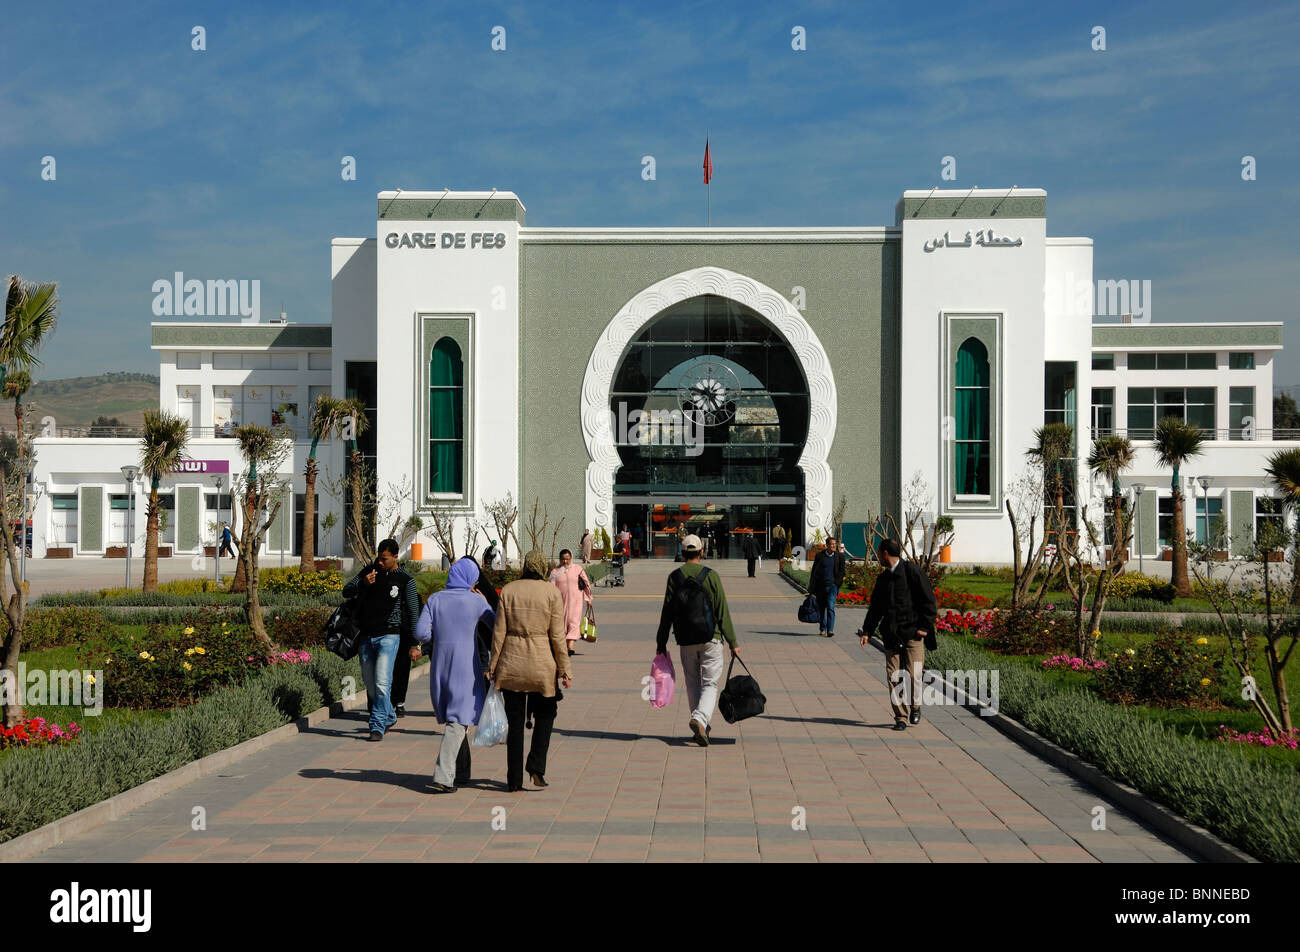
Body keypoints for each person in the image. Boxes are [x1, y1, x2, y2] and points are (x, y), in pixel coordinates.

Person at [489, 549, 573, 791]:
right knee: (546, 714)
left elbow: (499, 633)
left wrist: (493, 665)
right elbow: (557, 636)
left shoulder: (509, 591)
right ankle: (536, 766)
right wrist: (565, 669)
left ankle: (513, 780)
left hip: (512, 663)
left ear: (526, 565)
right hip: (541, 663)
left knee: (515, 723)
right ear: (542, 567)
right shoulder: (551, 592)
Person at [413, 557, 496, 793]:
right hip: (465, 668)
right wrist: (484, 602)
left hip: (440, 664)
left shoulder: (435, 599)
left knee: (455, 719)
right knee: (459, 720)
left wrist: (437, 640)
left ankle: (461, 772)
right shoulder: (474, 601)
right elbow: (496, 625)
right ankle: (444, 775)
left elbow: (420, 631)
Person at [655, 534, 739, 747]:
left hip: (685, 639)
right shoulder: (711, 576)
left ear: (682, 554)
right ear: (702, 552)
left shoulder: (674, 577)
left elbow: (667, 612)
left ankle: (700, 724)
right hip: (712, 638)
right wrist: (733, 642)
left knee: (692, 682)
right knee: (710, 683)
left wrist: (661, 642)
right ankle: (700, 719)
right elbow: (722, 611)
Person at [342, 539, 420, 741]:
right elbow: (346, 591)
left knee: (382, 682)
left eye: (384, 559)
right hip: (366, 636)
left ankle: (377, 725)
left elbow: (413, 612)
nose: (380, 562)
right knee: (370, 683)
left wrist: (414, 642)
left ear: (395, 557)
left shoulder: (405, 580)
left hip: (390, 636)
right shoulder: (370, 572)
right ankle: (390, 715)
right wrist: (363, 583)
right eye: (379, 557)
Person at [857, 538, 938, 731]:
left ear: (885, 554)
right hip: (892, 634)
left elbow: (929, 601)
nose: (877, 556)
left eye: (878, 553)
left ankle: (915, 706)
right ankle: (900, 717)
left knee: (913, 675)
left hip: (913, 634)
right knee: (893, 677)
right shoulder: (883, 579)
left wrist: (924, 627)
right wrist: (867, 630)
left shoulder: (912, 572)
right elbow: (875, 607)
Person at [549, 548, 593, 657]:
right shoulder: (555, 572)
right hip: (561, 602)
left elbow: (586, 583)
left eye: (567, 559)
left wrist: (588, 598)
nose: (565, 562)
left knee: (574, 622)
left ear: (571, 558)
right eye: (563, 559)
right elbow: (550, 588)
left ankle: (571, 646)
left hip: (576, 601)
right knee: (562, 623)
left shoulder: (578, 569)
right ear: (560, 559)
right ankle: (564, 645)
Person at [810, 534, 847, 637]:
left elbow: (842, 571)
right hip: (821, 587)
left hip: (832, 587)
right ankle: (822, 628)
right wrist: (812, 587)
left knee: (830, 607)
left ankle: (830, 630)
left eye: (835, 544)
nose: (834, 546)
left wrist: (836, 583)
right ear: (827, 545)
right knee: (821, 608)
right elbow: (814, 572)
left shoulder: (839, 557)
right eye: (831, 544)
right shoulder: (820, 556)